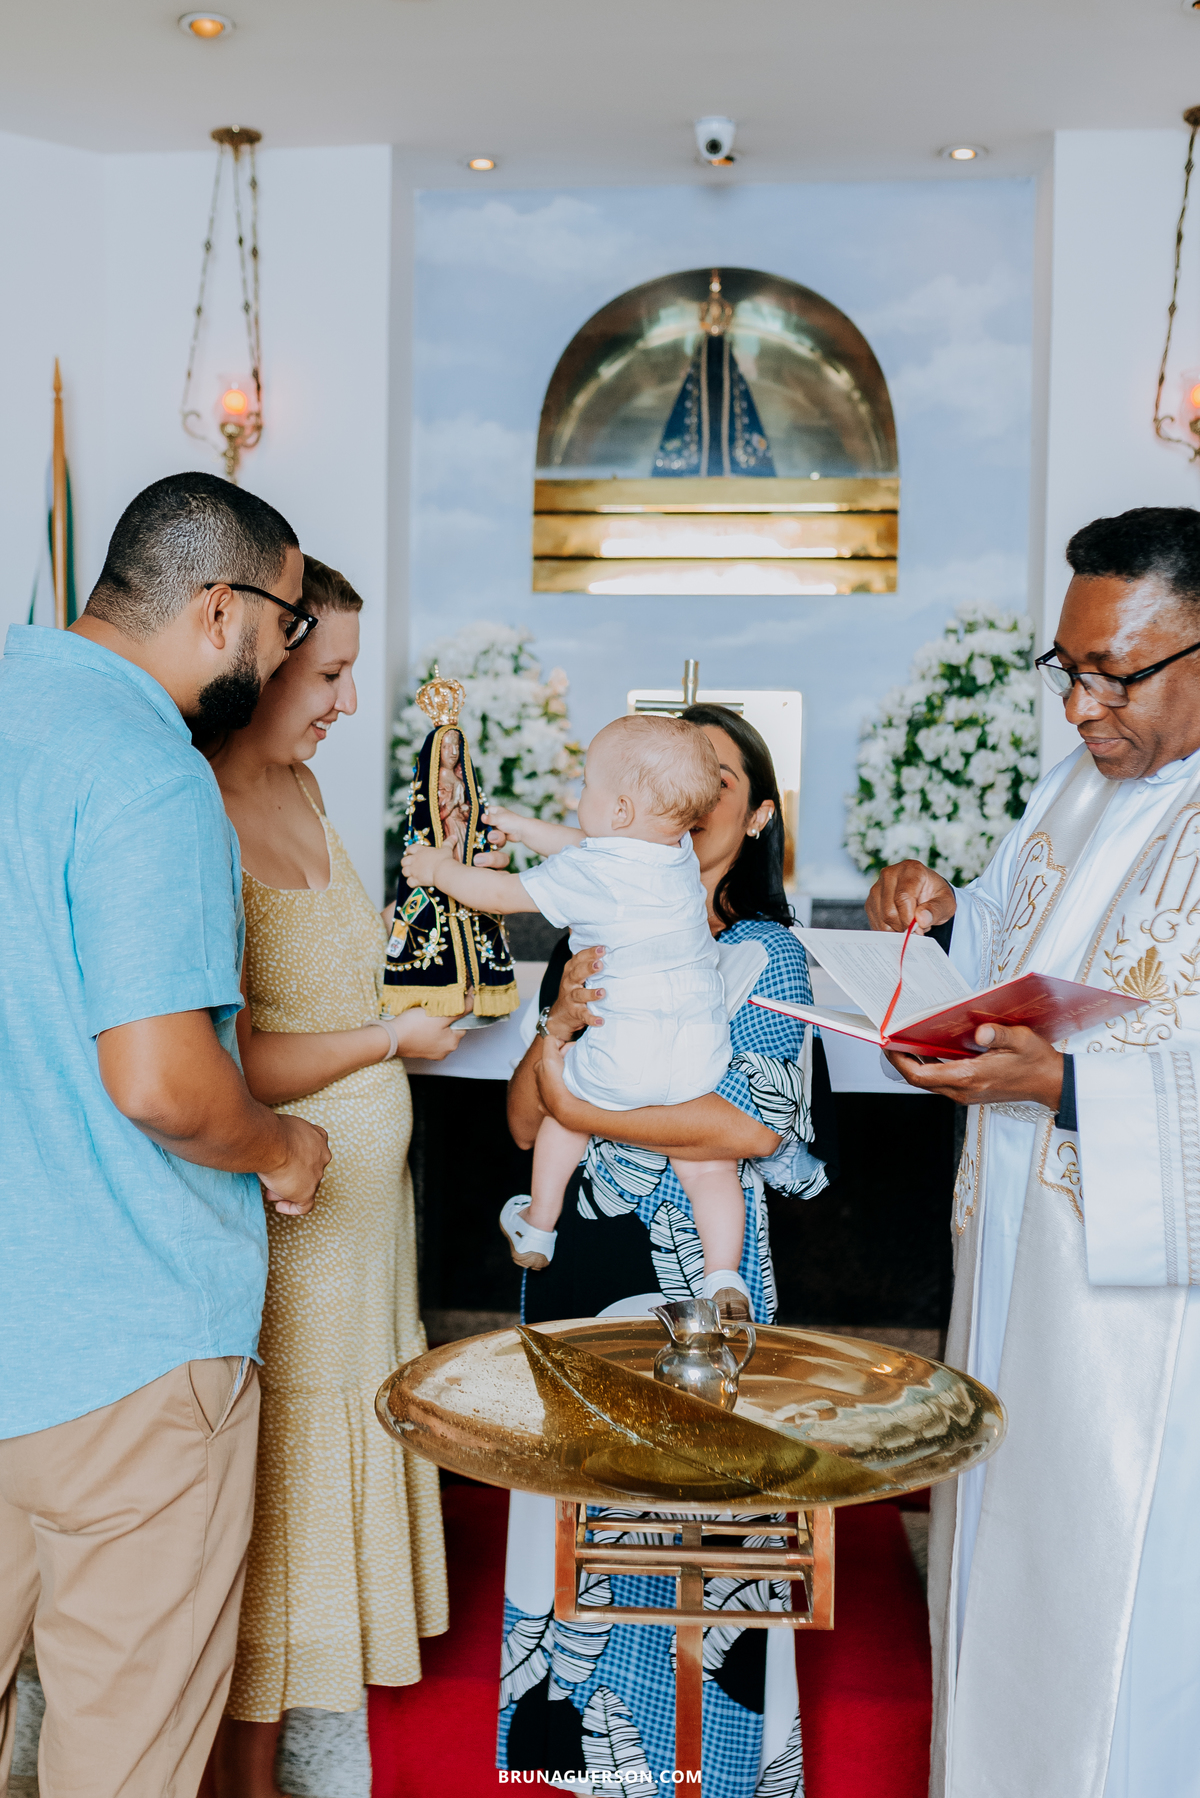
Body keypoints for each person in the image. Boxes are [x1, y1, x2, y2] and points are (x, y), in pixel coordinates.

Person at [0, 473, 330, 1798]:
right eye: (288, 623)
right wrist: (282, 1150)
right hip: (125, 1344)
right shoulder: (147, 768)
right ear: (217, 608)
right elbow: (160, 1082)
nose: (288, 654)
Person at [866, 507, 1200, 1798]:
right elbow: (1008, 958)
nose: (1079, 709)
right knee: (999, 1576)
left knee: (1117, 1626)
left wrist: (1059, 1084)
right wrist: (935, 914)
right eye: (1068, 669)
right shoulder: (1079, 783)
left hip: (1147, 1336)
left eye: (1116, 675)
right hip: (1014, 1272)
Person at [492, 706, 828, 1798]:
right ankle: (567, 1764)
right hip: (584, 1270)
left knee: (698, 1546)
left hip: (699, 1295)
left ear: (755, 813)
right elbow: (524, 1122)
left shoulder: (768, 955)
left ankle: (713, 1776)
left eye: (720, 779)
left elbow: (751, 1126)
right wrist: (557, 1031)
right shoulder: (598, 912)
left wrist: (591, 1106)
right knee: (575, 1538)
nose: (695, 800)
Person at [204, 556, 458, 1798]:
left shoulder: (303, 787)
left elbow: (345, 979)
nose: (350, 702)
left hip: (363, 1234)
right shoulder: (201, 812)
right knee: (276, 1506)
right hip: (288, 1227)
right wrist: (387, 1039)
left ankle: (263, 1772)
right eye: (330, 675)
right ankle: (241, 1778)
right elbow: (226, 1054)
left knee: (316, 1500)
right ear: (259, 664)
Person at [401, 711, 755, 1319]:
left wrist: (438, 870)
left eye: (586, 784)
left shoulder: (590, 873)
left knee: (567, 1103)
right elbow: (585, 846)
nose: (577, 796)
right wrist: (520, 827)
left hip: (626, 1054)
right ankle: (724, 1275)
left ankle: (539, 1224)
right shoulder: (675, 856)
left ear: (620, 809)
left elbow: (500, 893)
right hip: (699, 1057)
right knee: (710, 1170)